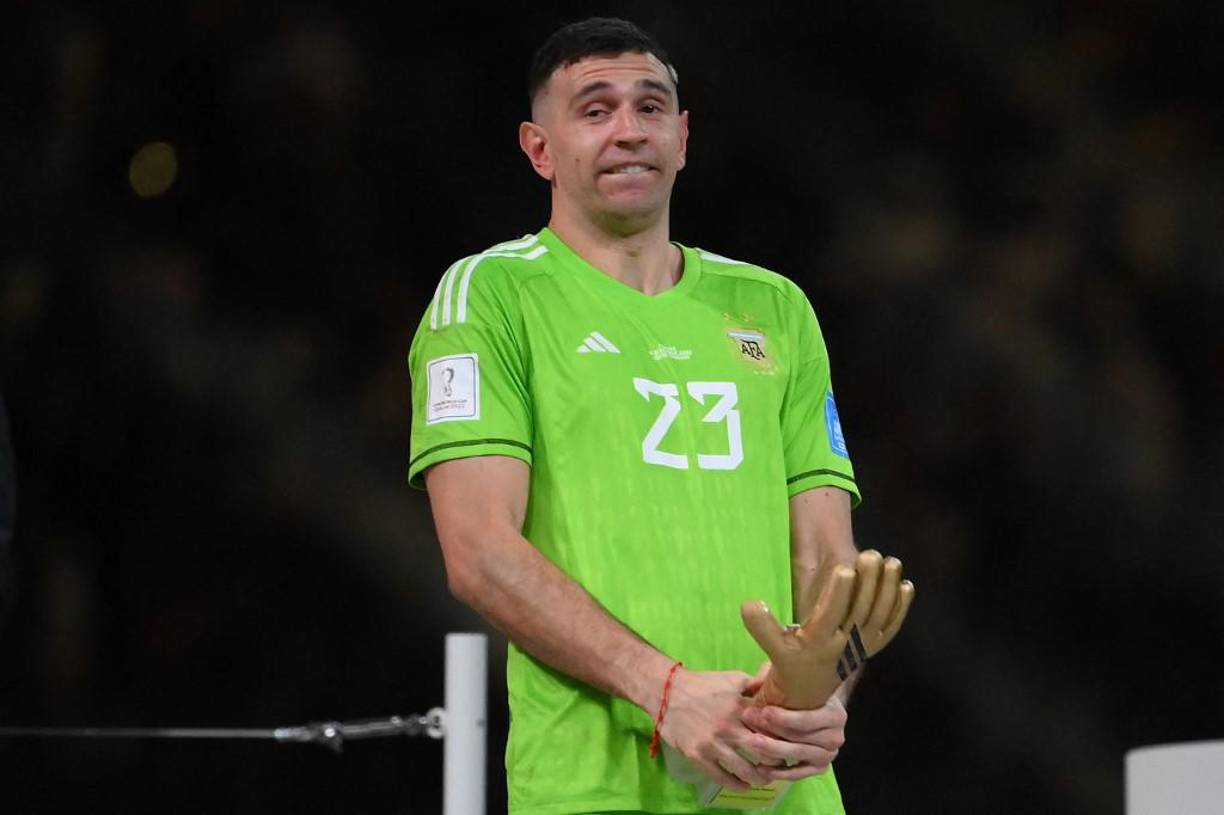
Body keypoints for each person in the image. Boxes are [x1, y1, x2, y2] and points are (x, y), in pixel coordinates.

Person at [408, 17, 866, 814]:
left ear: (683, 137)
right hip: (591, 788)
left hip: (782, 792)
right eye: (595, 109)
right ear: (539, 147)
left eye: (650, 108)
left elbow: (827, 557)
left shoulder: (776, 308)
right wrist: (667, 691)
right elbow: (478, 549)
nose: (628, 130)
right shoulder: (488, 297)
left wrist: (824, 693)